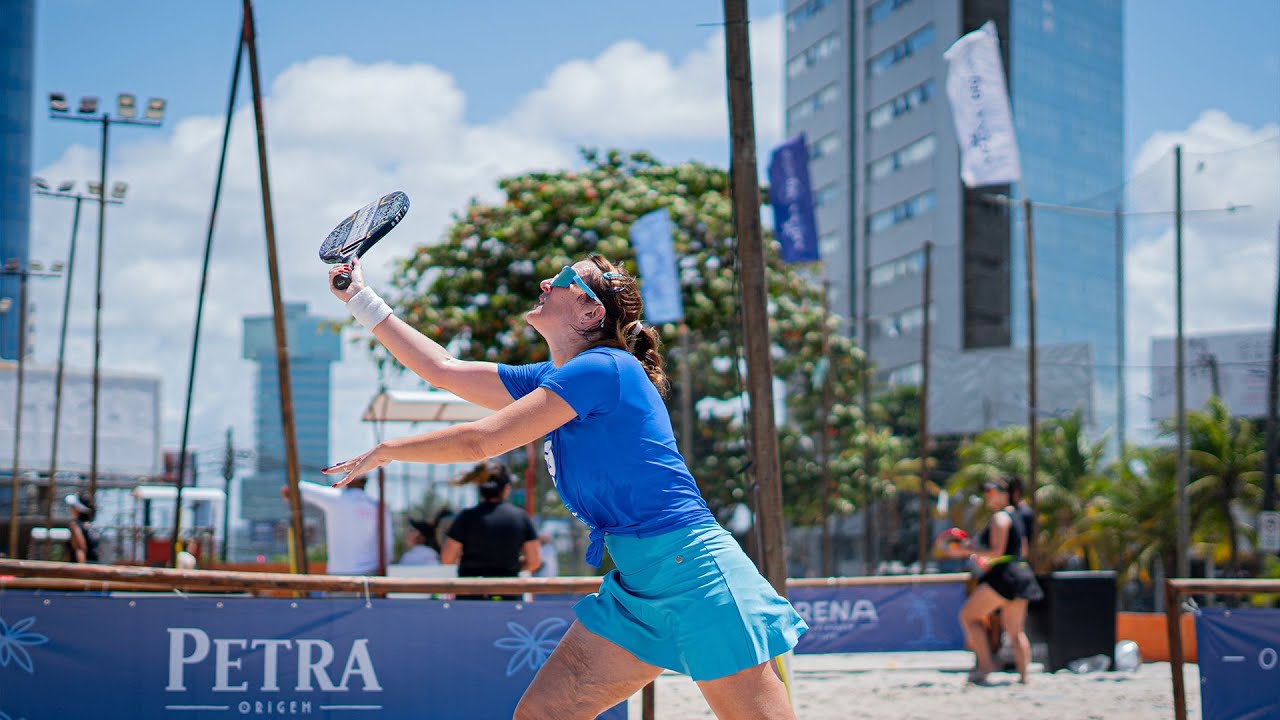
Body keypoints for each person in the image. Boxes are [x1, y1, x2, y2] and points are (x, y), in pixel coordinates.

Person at [323, 255, 806, 719]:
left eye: (561, 278)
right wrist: (360, 297)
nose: (544, 284)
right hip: (639, 582)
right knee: (543, 714)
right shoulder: (556, 376)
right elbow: (443, 370)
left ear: (591, 311)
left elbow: (480, 442)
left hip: (697, 575)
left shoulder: (606, 367)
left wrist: (387, 450)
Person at [945, 476, 1043, 685]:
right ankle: (1025, 677)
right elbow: (1022, 549)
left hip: (1004, 575)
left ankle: (985, 666)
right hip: (1022, 572)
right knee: (1016, 631)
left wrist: (967, 550)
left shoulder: (999, 517)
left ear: (1004, 494)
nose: (986, 496)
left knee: (969, 617)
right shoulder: (1016, 516)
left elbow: (996, 551)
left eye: (991, 492)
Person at [441, 462, 541, 599]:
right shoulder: (520, 517)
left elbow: (447, 558)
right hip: (509, 595)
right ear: (506, 489)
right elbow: (534, 561)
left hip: (470, 595)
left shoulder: (466, 517)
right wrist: (513, 566)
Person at [282, 474, 393, 576]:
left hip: (340, 573)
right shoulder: (378, 506)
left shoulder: (336, 498)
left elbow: (293, 488)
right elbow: (388, 544)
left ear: (347, 480)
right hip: (371, 573)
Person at [64, 492, 99, 563]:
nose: (71, 508)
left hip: (81, 569)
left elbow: (80, 549)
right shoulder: (93, 527)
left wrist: (81, 570)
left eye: (73, 506)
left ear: (78, 509)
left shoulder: (75, 526)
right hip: (94, 567)